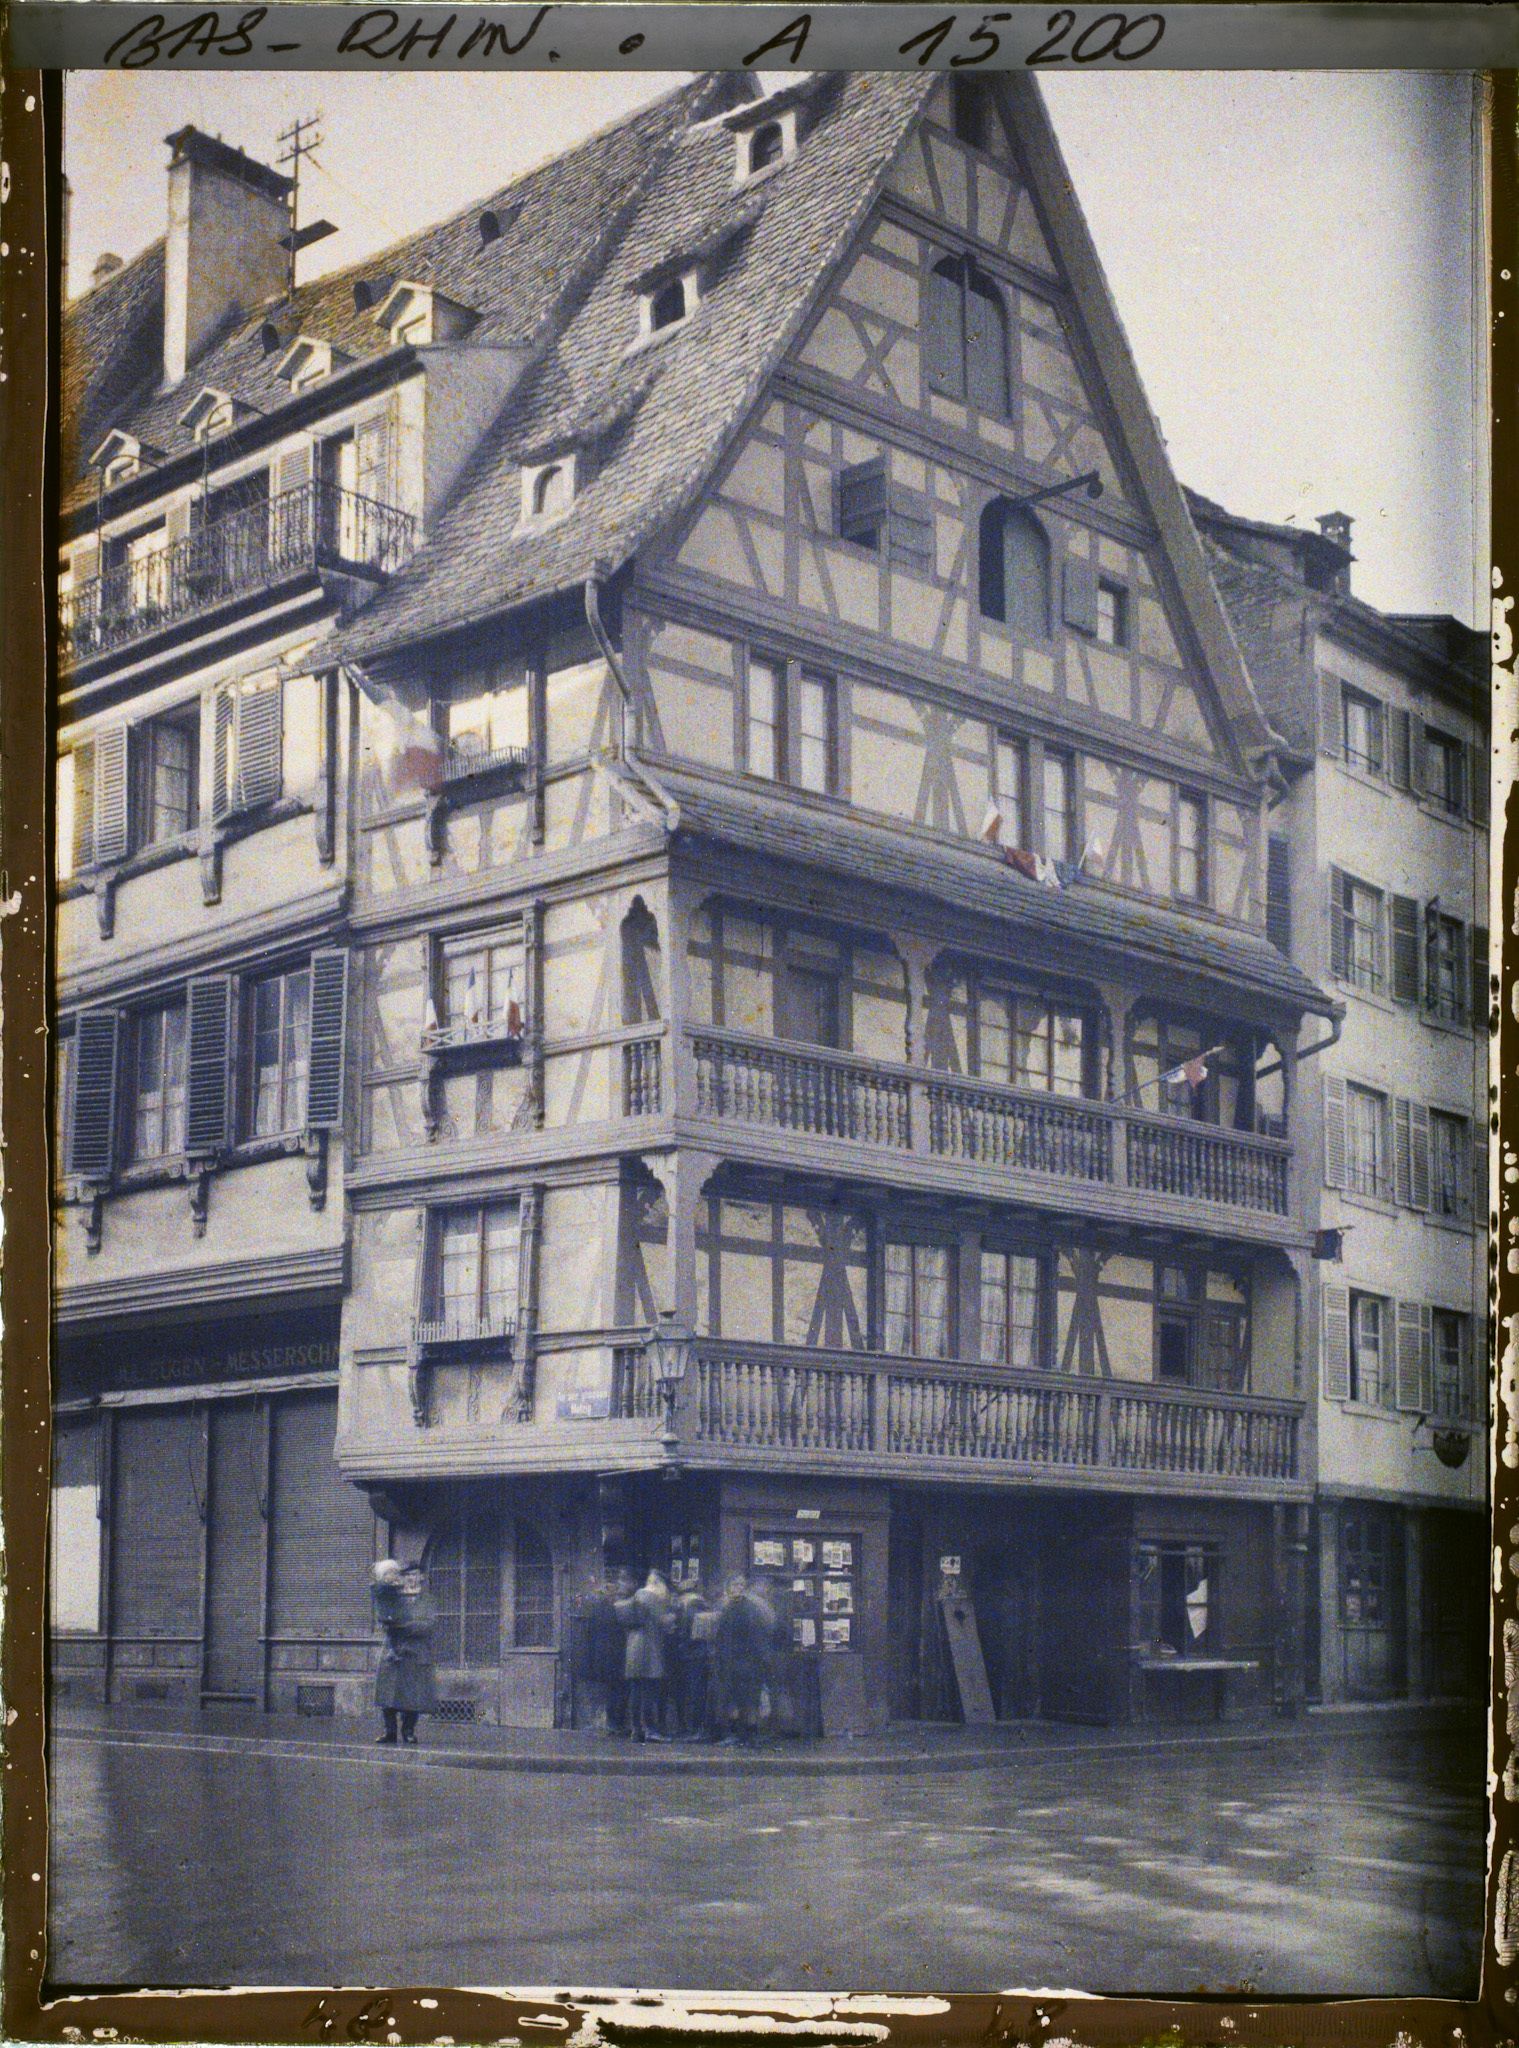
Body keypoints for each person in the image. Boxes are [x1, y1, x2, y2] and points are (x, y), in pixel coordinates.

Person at [374, 1559, 438, 1746]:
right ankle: (390, 1731)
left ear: (422, 1577)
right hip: (393, 1652)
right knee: (388, 1693)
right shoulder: (394, 1598)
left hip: (416, 1652)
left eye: (415, 1575)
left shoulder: (428, 1600)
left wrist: (405, 1626)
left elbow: (428, 1625)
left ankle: (408, 1731)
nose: (411, 1579)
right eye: (407, 1575)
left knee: (413, 1695)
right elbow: (384, 1617)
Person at [712, 1574, 774, 1746]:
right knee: (737, 1700)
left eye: (741, 1585)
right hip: (735, 1661)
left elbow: (756, 1637)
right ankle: (743, 1734)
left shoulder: (745, 1609)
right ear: (728, 1587)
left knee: (746, 1700)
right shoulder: (733, 1608)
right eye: (734, 1585)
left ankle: (745, 1734)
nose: (738, 1588)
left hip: (744, 1662)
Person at [614, 1567, 673, 1742]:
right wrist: (671, 1617)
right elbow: (663, 1622)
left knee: (636, 1691)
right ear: (658, 1583)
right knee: (649, 1692)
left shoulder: (637, 1597)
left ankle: (636, 1730)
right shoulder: (651, 1598)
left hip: (633, 1650)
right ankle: (651, 1730)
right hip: (649, 1651)